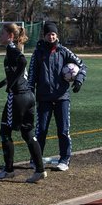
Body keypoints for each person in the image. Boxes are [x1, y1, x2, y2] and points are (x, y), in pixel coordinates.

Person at [0, 21, 46, 183]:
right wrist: (2, 83)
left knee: (4, 131)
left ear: (10, 36)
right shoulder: (15, 48)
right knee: (28, 133)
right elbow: (17, 71)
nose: (0, 36)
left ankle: (8, 170)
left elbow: (23, 62)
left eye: (2, 33)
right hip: (29, 96)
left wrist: (12, 85)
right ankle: (40, 170)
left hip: (18, 97)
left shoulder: (12, 48)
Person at [30, 21, 86, 171]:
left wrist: (79, 81)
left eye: (53, 34)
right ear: (44, 36)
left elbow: (82, 65)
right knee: (40, 130)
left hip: (62, 97)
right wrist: (30, 94)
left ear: (57, 35)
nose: (51, 36)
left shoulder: (64, 51)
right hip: (43, 98)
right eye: (48, 34)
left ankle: (64, 159)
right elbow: (32, 76)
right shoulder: (38, 53)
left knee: (63, 130)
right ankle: (36, 159)